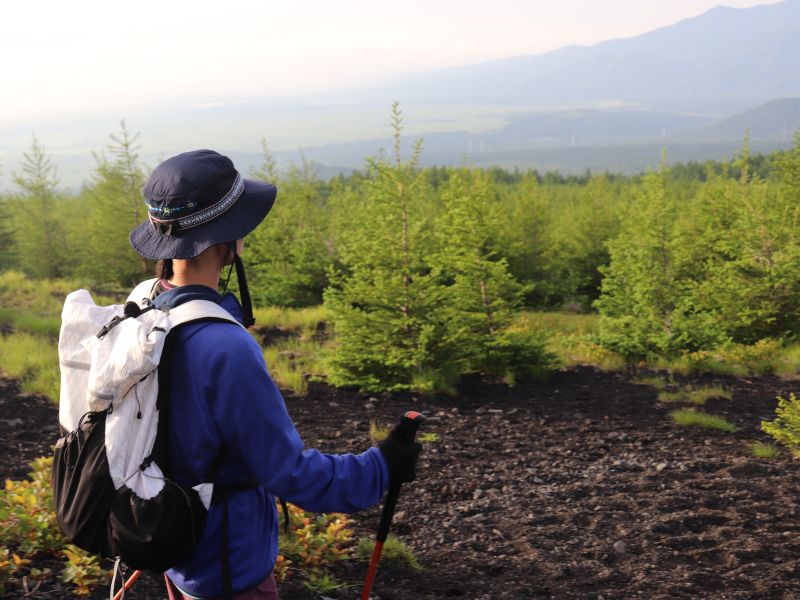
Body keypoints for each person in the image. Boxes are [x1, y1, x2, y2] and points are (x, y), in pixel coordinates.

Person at [128, 149, 421, 600]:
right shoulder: (224, 346)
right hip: (228, 567)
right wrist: (380, 467)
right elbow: (289, 473)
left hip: (175, 544)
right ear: (227, 244)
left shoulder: (143, 312)